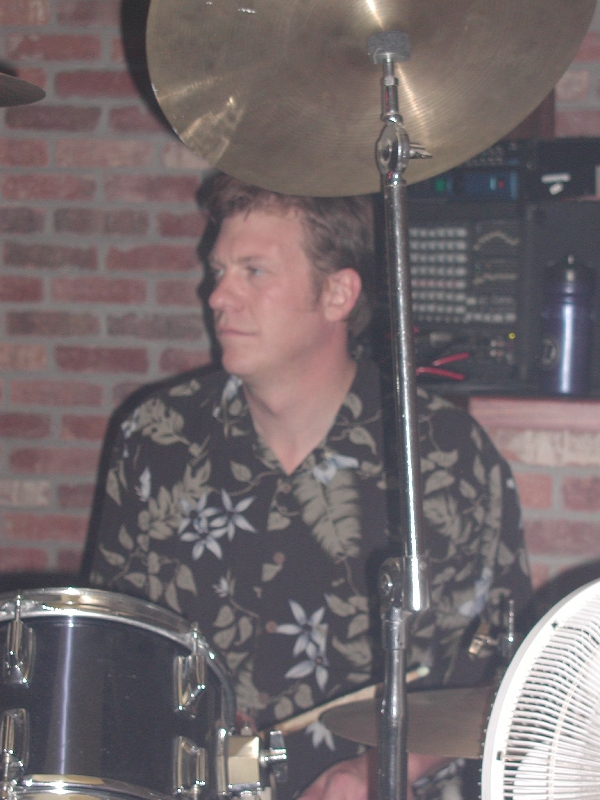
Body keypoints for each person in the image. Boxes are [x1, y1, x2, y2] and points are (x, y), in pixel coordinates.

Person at [82, 175, 532, 800]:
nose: (218, 296)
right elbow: (105, 645)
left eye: (254, 272)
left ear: (337, 293)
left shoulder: (446, 455)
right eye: (219, 272)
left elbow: (507, 674)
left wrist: (377, 773)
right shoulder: (155, 436)